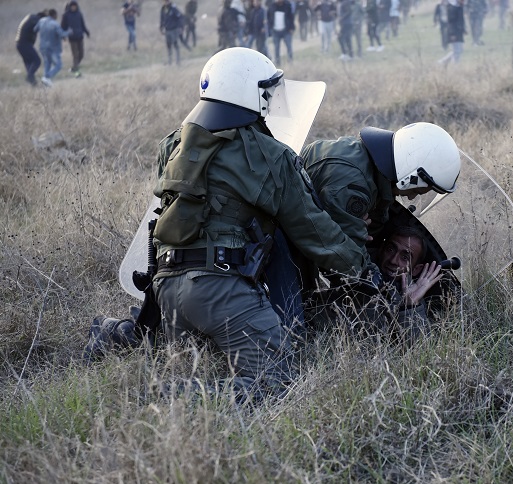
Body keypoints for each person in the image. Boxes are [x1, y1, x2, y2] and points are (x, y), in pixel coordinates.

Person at [150, 47, 369, 401]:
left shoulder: (172, 144)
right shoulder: (269, 155)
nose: (269, 99)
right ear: (246, 92)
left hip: (167, 291)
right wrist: (364, 267)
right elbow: (313, 232)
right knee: (278, 382)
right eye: (265, 91)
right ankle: (172, 398)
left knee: (217, 368)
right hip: (219, 289)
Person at [300, 122, 460, 280]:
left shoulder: (372, 167)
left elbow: (369, 231)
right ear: (408, 176)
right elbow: (345, 262)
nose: (411, 198)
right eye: (415, 191)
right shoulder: (354, 184)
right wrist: (386, 290)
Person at [35, 9, 72, 86]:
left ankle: (45, 81)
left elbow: (35, 29)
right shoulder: (55, 24)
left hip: (42, 47)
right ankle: (47, 77)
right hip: (53, 48)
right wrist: (69, 32)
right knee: (58, 65)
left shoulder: (41, 21)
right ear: (54, 15)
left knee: (47, 63)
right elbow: (62, 34)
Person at [16, 11, 46, 87]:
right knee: (37, 61)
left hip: (19, 44)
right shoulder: (35, 19)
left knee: (29, 63)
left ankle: (33, 84)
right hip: (24, 43)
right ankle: (30, 77)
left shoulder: (31, 17)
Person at [61, 1, 90, 77]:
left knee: (81, 54)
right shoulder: (65, 15)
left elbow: (83, 24)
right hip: (72, 37)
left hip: (80, 36)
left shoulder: (79, 14)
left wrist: (87, 32)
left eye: (75, 6)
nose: (73, 7)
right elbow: (63, 26)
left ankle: (74, 67)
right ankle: (77, 72)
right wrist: (63, 36)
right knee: (75, 55)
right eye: (72, 6)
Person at [438, 0, 465, 67]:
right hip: (453, 32)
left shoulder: (459, 7)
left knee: (459, 50)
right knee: (457, 51)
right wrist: (452, 33)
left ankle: (443, 62)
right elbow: (451, 22)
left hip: (458, 32)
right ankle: (455, 66)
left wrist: (463, 29)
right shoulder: (452, 8)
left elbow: (461, 20)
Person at [268, 0, 295, 66]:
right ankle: (277, 62)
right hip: (275, 31)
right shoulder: (272, 6)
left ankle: (290, 60)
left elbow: (291, 17)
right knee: (276, 47)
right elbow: (268, 16)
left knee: (289, 46)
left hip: (286, 30)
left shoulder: (287, 5)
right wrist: (270, 27)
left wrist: (291, 27)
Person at [160, 0, 185, 65]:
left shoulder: (173, 8)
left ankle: (178, 62)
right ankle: (169, 62)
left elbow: (180, 17)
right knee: (169, 47)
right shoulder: (163, 9)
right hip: (167, 30)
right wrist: (161, 27)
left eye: (167, 1)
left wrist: (181, 27)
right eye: (164, 1)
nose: (166, 2)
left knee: (176, 46)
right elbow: (162, 19)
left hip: (174, 30)